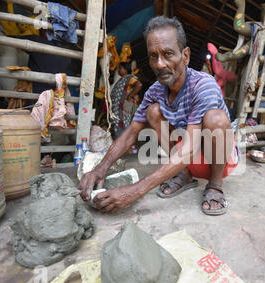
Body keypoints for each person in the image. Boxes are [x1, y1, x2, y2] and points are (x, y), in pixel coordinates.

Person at [78, 16, 238, 215]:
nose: (160, 64)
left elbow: (189, 149)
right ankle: (184, 175)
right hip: (187, 157)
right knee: (152, 111)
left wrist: (136, 190)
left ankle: (215, 185)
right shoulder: (155, 91)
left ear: (185, 56)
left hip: (218, 159)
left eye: (168, 54)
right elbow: (131, 133)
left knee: (216, 119)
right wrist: (100, 169)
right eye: (153, 56)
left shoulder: (203, 85)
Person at [110, 62, 143, 139]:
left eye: (120, 68)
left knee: (123, 124)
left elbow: (139, 85)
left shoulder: (129, 78)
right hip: (118, 109)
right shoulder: (123, 79)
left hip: (124, 107)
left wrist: (130, 96)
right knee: (118, 124)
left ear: (125, 70)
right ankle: (120, 144)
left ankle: (123, 145)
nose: (118, 70)